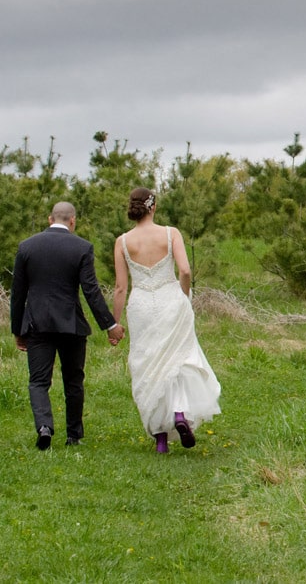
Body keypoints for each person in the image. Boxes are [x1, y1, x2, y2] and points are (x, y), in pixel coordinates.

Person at [113, 187, 221, 453]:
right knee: (178, 361)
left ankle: (161, 439)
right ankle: (180, 414)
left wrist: (114, 324)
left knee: (148, 365)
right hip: (170, 301)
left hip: (140, 306)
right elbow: (184, 270)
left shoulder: (123, 241)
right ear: (153, 206)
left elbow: (119, 288)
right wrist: (183, 295)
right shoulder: (171, 234)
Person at [11, 201, 126, 449]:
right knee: (74, 380)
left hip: (37, 324)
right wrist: (110, 325)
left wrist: (18, 330)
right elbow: (91, 291)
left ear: (50, 219)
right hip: (71, 324)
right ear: (72, 221)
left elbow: (17, 293)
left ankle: (44, 426)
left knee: (38, 381)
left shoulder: (26, 247)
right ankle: (73, 435)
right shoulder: (82, 247)